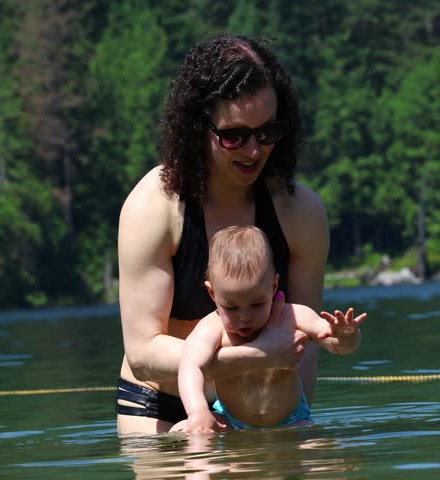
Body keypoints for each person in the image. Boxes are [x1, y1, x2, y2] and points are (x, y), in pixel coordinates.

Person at [116, 33, 330, 435]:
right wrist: (257, 356)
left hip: (262, 409)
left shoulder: (302, 213)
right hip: (161, 404)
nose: (253, 150)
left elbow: (304, 356)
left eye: (267, 132)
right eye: (235, 136)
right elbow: (144, 353)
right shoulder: (153, 207)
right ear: (199, 126)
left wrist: (284, 429)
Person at [170, 226, 366, 432]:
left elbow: (338, 346)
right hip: (230, 419)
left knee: (318, 452)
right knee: (183, 431)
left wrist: (346, 337)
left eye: (257, 304)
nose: (245, 317)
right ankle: (205, 462)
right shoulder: (212, 327)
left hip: (292, 420)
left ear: (273, 287)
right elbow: (190, 366)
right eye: (232, 307)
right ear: (213, 293)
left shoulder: (293, 317)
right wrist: (198, 411)